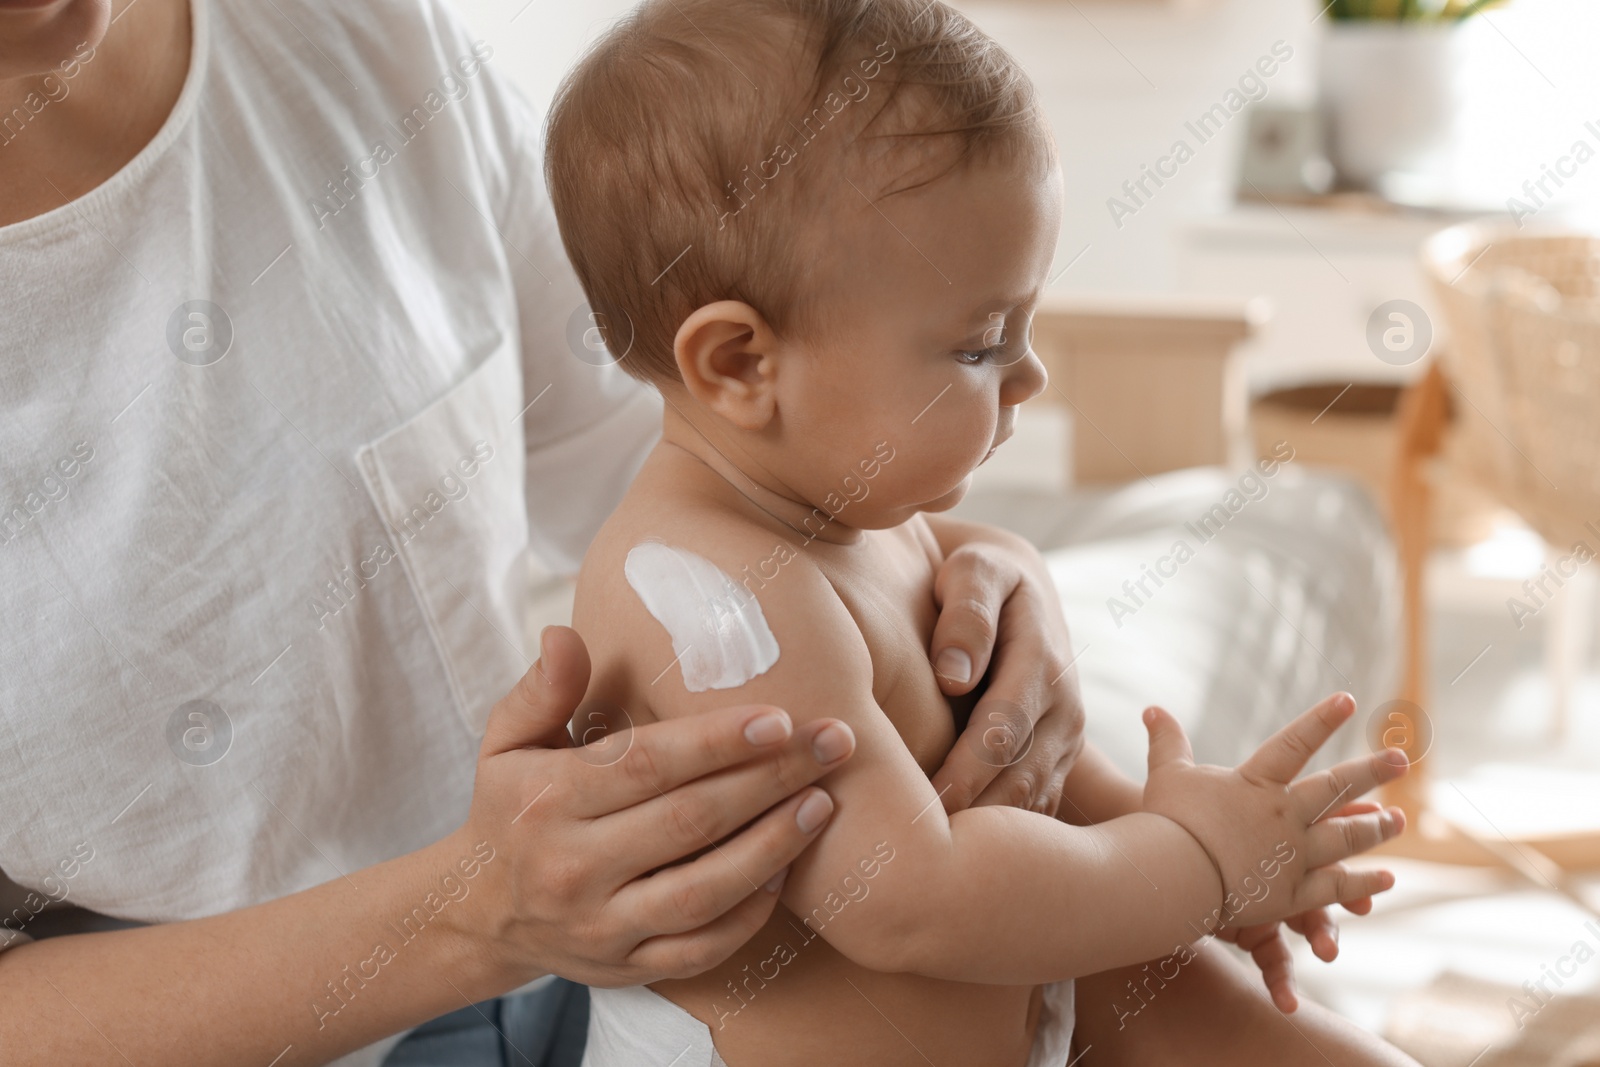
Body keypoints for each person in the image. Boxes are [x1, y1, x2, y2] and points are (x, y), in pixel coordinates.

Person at [0, 1, 1094, 1064]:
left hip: (569, 966)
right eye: (989, 341)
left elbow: (739, 455)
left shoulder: (360, 41)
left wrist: (976, 568)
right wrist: (472, 913)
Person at [545, 2, 1426, 1065]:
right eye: (978, 344)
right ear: (739, 365)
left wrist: (1196, 831)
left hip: (1021, 1008)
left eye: (1024, 323)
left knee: (1279, 1035)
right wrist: (1191, 861)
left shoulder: (866, 519)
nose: (1031, 374)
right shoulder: (699, 584)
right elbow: (906, 900)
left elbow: (1026, 780)